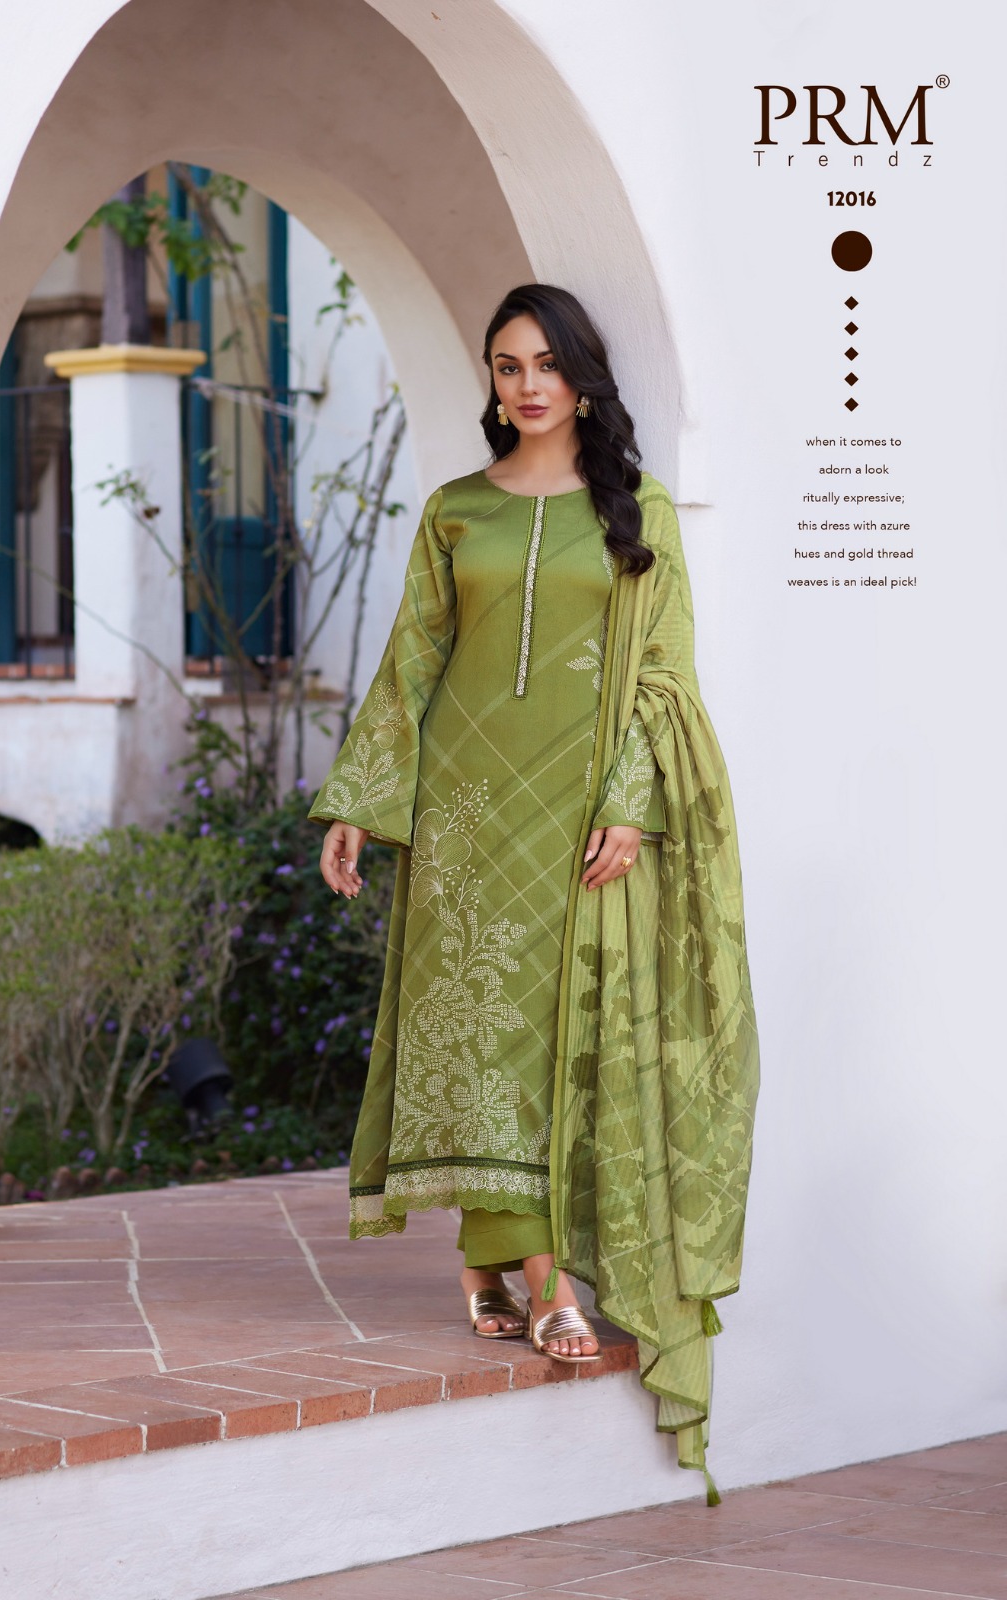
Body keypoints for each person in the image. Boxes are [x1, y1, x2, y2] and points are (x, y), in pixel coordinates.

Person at [308, 283, 759, 1501]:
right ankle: (523, 1269)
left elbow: (662, 669)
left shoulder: (634, 512)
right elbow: (412, 661)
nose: (526, 384)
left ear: (581, 377)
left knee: (558, 1033)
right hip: (461, 808)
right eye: (507, 365)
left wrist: (630, 799)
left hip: (575, 809)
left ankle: (510, 1265)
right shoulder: (456, 511)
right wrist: (360, 803)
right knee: (479, 1033)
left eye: (545, 363)